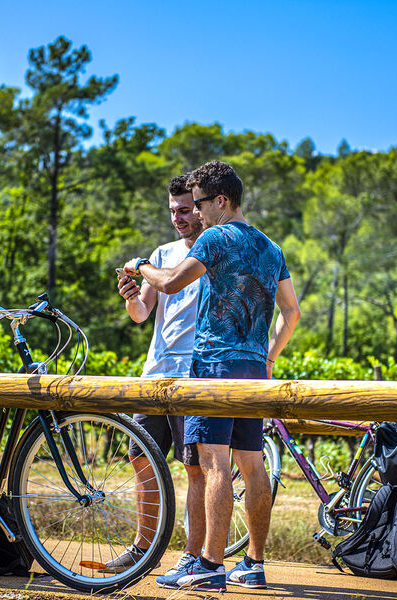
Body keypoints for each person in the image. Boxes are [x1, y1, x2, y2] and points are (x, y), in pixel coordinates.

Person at [124, 160, 301, 592]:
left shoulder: (215, 237)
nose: (196, 213)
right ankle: (254, 565)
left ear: (221, 201)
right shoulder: (270, 247)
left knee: (214, 464)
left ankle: (209, 565)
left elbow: (168, 283)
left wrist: (140, 265)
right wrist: (269, 357)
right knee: (253, 465)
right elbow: (292, 312)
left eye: (200, 203)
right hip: (253, 368)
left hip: (213, 365)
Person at [103, 174, 207, 576]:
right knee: (139, 459)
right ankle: (142, 550)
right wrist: (131, 297)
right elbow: (142, 315)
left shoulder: (210, 251)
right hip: (154, 374)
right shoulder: (161, 253)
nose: (178, 218)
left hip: (192, 376)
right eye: (172, 211)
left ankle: (193, 554)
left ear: (199, 208)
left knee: (194, 467)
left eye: (185, 210)